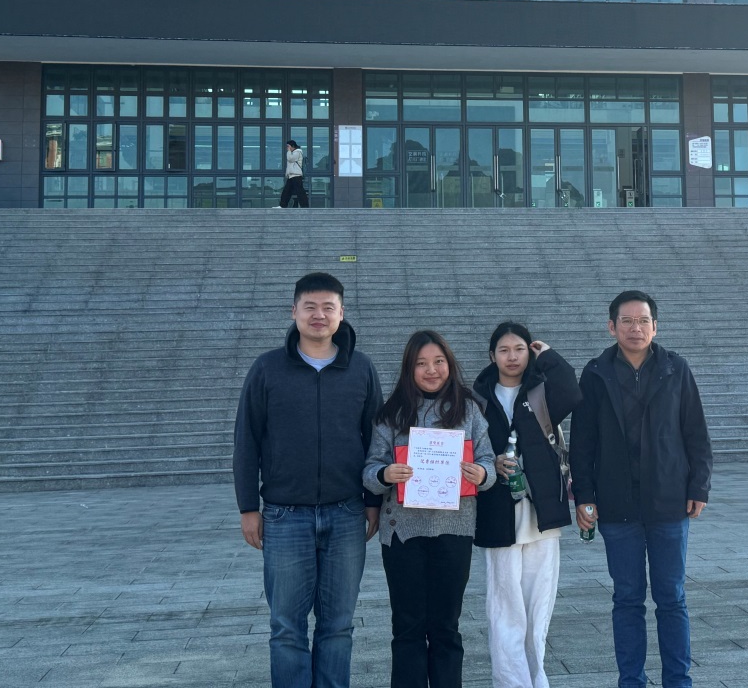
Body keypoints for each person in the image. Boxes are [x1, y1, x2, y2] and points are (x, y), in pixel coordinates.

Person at [232, 272, 383, 688]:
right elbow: (246, 440)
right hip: (285, 516)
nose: (319, 315)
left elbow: (376, 440)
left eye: (328, 307)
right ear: (294, 311)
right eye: (310, 307)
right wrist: (248, 508)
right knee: (287, 627)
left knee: (338, 625)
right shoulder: (267, 368)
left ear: (341, 313)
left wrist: (373, 502)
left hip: (346, 512)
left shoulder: (361, 368)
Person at [569, 290, 713, 688]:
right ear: (611, 326)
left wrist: (699, 485)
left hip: (668, 502)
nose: (636, 328)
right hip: (617, 505)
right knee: (627, 598)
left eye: (643, 320)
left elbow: (696, 433)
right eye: (627, 321)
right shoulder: (596, 373)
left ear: (655, 326)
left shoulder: (675, 369)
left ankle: (678, 681)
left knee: (672, 597)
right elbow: (582, 442)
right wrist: (585, 496)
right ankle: (630, 681)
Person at [364, 330, 496, 688]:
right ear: (409, 369)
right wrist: (385, 474)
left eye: (439, 361)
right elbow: (370, 471)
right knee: (407, 627)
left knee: (446, 627)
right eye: (421, 363)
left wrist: (482, 473)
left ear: (449, 364)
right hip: (403, 533)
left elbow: (488, 459)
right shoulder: (391, 414)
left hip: (454, 531)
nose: (431, 370)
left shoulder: (468, 409)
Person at [473, 322, 581, 688]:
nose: (512, 357)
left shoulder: (540, 392)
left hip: (540, 511)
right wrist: (490, 464)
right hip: (496, 512)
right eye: (504, 350)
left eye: (519, 349)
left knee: (538, 605)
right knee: (504, 606)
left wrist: (547, 355)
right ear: (492, 356)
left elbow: (572, 391)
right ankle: (511, 681)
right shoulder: (477, 398)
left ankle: (537, 678)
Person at [280, 139, 309, 208]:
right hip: (291, 176)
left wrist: (289, 151)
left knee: (300, 192)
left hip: (296, 175)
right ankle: (282, 205)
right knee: (286, 191)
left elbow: (290, 159)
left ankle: (305, 206)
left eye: (288, 146)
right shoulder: (292, 153)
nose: (287, 148)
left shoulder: (298, 152)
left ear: (292, 146)